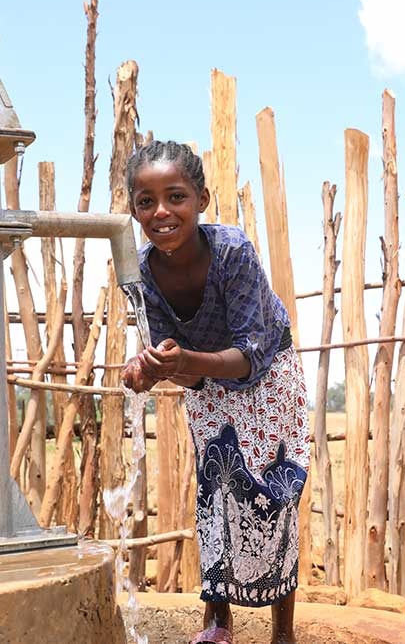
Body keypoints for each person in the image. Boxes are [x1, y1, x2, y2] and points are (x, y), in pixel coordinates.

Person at [120, 140, 309, 644]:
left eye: (175, 196)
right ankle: (218, 621)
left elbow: (248, 356)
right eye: (146, 201)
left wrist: (182, 362)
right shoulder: (140, 275)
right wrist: (150, 370)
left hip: (269, 378)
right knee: (216, 489)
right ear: (133, 209)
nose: (161, 212)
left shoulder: (232, 253)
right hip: (205, 380)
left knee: (275, 496)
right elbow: (169, 360)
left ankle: (282, 632)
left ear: (201, 199)